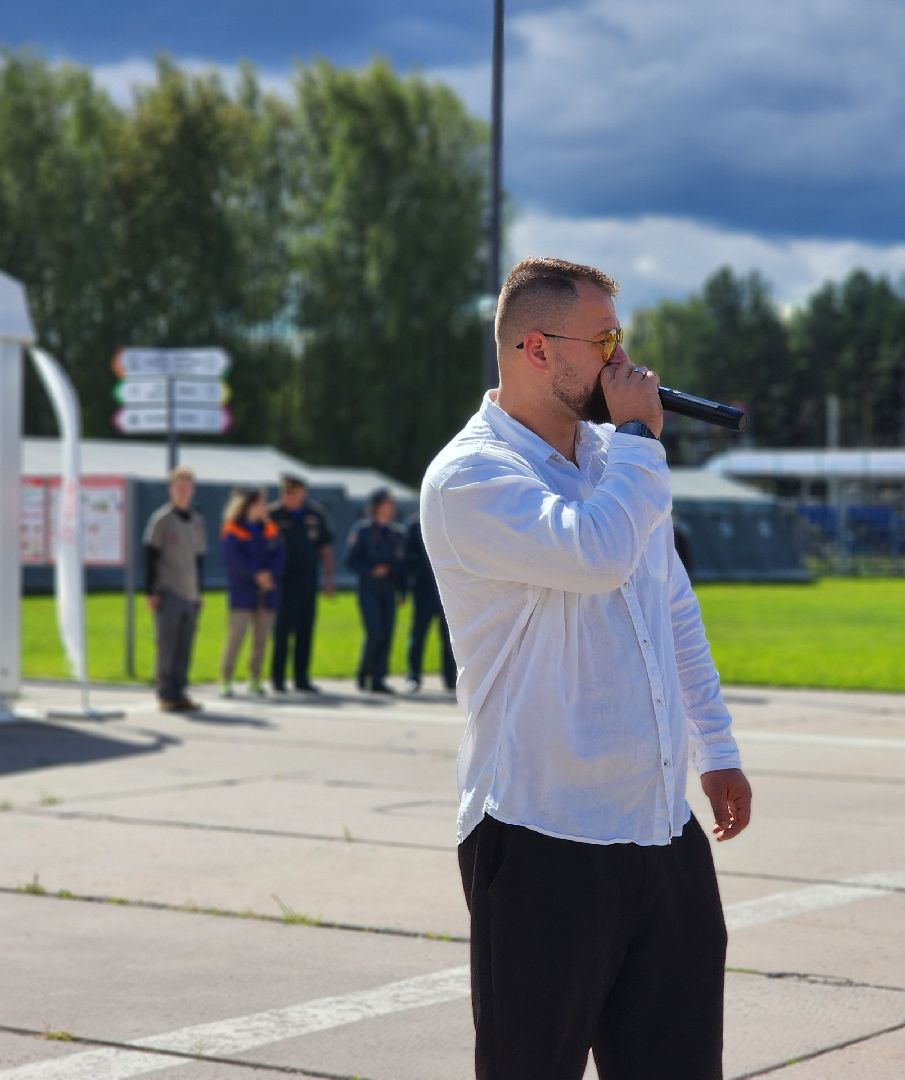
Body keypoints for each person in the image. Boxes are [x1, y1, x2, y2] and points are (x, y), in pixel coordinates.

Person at [419, 256, 752, 1080]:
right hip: (542, 834)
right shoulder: (471, 477)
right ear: (536, 348)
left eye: (621, 338)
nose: (623, 362)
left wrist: (717, 747)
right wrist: (640, 436)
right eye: (602, 339)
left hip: (657, 827)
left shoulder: (616, 462)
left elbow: (672, 605)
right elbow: (595, 552)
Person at [143, 465, 208, 712]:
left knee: (185, 647)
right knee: (167, 646)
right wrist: (150, 591)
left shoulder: (197, 521)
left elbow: (199, 559)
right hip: (168, 591)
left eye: (187, 487)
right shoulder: (162, 519)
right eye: (178, 486)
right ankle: (165, 694)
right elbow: (150, 555)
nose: (183, 491)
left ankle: (180, 692)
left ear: (192, 490)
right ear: (171, 489)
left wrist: (199, 592)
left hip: (190, 593)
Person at [267, 474, 336, 694]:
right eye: (285, 492)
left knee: (305, 629)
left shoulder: (315, 514)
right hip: (283, 581)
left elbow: (325, 548)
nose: (288, 497)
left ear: (302, 493)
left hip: (307, 579)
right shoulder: (272, 515)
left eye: (293, 492)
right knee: (282, 631)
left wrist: (328, 579)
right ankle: (278, 679)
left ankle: (301, 678)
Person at [218, 487, 285, 698]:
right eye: (262, 502)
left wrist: (269, 575)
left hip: (267, 592)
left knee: (261, 639)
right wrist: (256, 575)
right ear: (250, 505)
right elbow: (232, 559)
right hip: (242, 593)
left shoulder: (270, 528)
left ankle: (254, 680)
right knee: (236, 637)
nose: (265, 506)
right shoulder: (233, 528)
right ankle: (225, 680)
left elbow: (281, 555)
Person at [345, 488, 404, 694]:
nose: (391, 508)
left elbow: (402, 564)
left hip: (388, 589)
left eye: (392, 504)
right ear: (377, 506)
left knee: (387, 633)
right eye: (387, 504)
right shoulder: (363, 530)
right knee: (375, 632)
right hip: (368, 588)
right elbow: (350, 561)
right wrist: (371, 570)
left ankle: (378, 678)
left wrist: (401, 589)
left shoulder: (396, 533)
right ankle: (364, 672)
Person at [402, 513, 456, 693]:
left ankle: (449, 679)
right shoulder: (415, 526)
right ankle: (413, 676)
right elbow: (407, 556)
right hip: (423, 590)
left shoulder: (449, 522)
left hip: (447, 590)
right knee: (418, 635)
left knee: (449, 638)